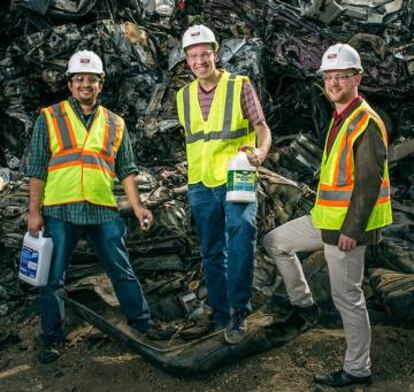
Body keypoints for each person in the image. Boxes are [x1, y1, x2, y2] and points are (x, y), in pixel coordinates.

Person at [26, 50, 171, 364]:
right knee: (53, 278)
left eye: (91, 79)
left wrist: (138, 206)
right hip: (60, 210)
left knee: (122, 271)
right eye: (79, 79)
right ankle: (52, 338)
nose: (85, 84)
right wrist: (34, 212)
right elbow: (36, 169)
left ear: (100, 84)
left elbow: (127, 169)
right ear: (70, 84)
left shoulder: (115, 123)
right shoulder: (49, 117)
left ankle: (143, 323)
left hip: (102, 209)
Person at [263, 43, 392, 387]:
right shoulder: (341, 116)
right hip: (324, 220)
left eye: (341, 77)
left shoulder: (366, 122)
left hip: (346, 229)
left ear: (357, 78)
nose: (333, 83)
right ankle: (304, 306)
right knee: (275, 241)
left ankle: (357, 369)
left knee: (348, 297)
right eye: (329, 77)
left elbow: (368, 182)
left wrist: (352, 228)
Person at [176, 25, 272, 344]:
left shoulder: (239, 85)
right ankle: (219, 312)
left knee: (242, 236)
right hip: (201, 181)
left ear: (215, 54)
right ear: (186, 59)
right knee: (211, 250)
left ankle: (239, 310)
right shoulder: (183, 96)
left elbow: (262, 128)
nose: (200, 60)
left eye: (205, 54)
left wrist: (261, 151)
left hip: (238, 172)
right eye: (193, 56)